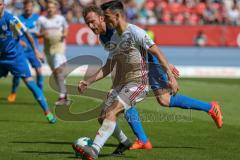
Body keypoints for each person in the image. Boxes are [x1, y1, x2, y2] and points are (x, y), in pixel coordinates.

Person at [73, 1, 179, 159]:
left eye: (106, 18)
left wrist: (170, 76)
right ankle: (124, 141)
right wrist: (89, 81)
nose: (104, 22)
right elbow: (110, 65)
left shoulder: (135, 32)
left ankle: (94, 149)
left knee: (112, 111)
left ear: (116, 16)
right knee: (103, 117)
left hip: (138, 83)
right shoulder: (114, 38)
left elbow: (156, 52)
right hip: (123, 82)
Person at [0, 0, 56, 124]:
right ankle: (13, 93)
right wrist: (18, 40)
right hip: (1, 57)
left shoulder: (11, 19)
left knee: (29, 82)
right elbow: (15, 36)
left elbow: (26, 33)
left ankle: (47, 112)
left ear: (3, 5)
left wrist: (36, 50)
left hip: (15, 57)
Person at [7, 0, 44, 103]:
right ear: (24, 7)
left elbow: (42, 32)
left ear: (33, 7)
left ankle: (39, 93)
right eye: (26, 7)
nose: (28, 8)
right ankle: (13, 92)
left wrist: (41, 35)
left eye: (30, 6)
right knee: (17, 74)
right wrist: (19, 42)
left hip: (33, 50)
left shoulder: (38, 19)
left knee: (39, 71)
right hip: (21, 51)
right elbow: (14, 34)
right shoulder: (18, 18)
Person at [37, 0, 69, 105]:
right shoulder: (42, 20)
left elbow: (66, 28)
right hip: (48, 49)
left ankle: (62, 96)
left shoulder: (61, 19)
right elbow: (37, 34)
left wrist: (64, 34)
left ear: (56, 9)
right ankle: (65, 94)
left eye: (52, 7)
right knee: (56, 73)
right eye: (48, 7)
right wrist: (42, 34)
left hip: (59, 47)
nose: (50, 9)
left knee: (58, 70)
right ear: (46, 8)